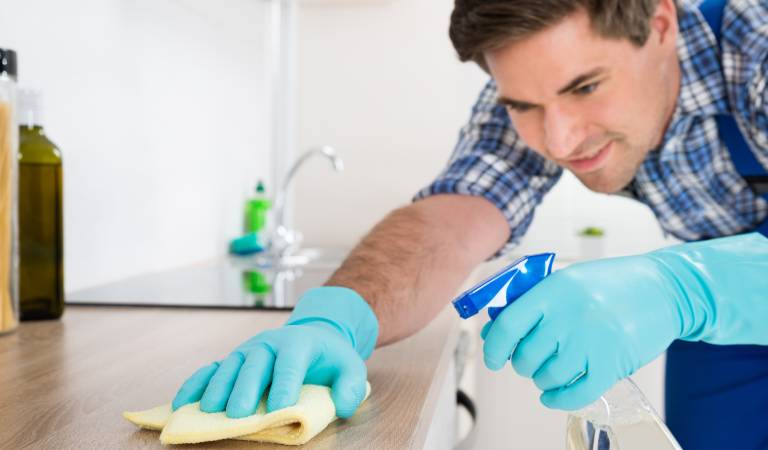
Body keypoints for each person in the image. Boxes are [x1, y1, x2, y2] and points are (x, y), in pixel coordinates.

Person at [172, 1, 768, 448]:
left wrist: (687, 287)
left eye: (586, 86)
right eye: (523, 106)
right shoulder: (531, 93)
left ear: (661, 24)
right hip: (723, 330)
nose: (558, 140)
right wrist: (340, 314)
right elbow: (452, 221)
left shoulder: (755, 36)